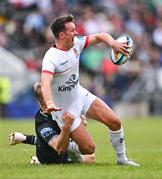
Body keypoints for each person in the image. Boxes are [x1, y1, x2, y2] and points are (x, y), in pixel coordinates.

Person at [41, 14, 139, 166]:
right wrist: (49, 102)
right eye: (72, 30)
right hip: (65, 109)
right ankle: (71, 148)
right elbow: (45, 82)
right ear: (61, 35)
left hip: (80, 95)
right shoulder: (51, 58)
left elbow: (101, 36)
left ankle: (122, 160)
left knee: (115, 122)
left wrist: (112, 43)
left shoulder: (76, 44)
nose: (76, 33)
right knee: (89, 149)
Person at [9, 82, 95, 164]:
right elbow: (59, 147)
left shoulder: (54, 111)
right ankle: (39, 161)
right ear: (47, 100)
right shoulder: (43, 124)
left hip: (53, 145)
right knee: (91, 157)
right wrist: (67, 126)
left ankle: (25, 138)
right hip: (55, 158)